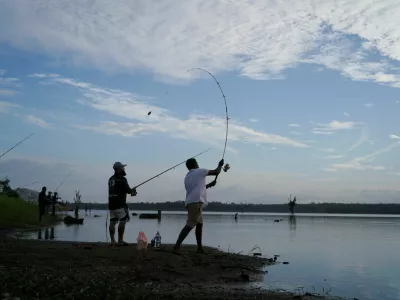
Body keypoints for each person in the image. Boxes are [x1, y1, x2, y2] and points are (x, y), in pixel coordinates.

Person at [173, 158, 224, 254]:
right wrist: (220, 165)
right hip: (195, 202)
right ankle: (176, 246)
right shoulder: (200, 171)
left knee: (199, 224)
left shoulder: (188, 176)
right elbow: (216, 172)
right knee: (190, 224)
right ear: (195, 164)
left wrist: (209, 185)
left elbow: (198, 188)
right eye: (197, 162)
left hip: (193, 202)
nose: (198, 164)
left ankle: (199, 248)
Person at [108, 162, 137, 246]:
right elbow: (128, 190)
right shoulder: (122, 179)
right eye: (122, 167)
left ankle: (113, 241)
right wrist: (133, 190)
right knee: (123, 220)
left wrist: (130, 191)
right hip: (120, 204)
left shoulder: (110, 179)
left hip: (111, 204)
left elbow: (118, 189)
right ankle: (120, 240)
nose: (124, 169)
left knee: (112, 221)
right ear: (118, 169)